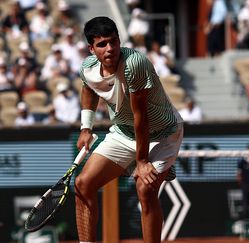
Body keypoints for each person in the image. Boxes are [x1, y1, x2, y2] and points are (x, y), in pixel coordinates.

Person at [75, 17, 184, 243]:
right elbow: (88, 89)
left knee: (145, 189)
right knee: (83, 184)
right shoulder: (87, 68)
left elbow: (140, 117)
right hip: (124, 132)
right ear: (91, 48)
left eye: (113, 41)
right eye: (102, 44)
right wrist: (86, 127)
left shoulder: (134, 63)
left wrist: (141, 161)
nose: (110, 49)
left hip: (163, 134)